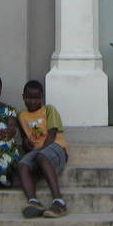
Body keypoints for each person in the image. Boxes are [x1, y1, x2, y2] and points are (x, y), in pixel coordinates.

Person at [17, 79, 69, 218]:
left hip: (55, 147)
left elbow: (51, 134)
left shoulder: (49, 110)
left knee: (41, 156)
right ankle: (33, 201)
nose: (32, 102)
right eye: (28, 98)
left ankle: (59, 201)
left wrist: (38, 154)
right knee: (22, 164)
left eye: (36, 98)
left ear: (42, 98)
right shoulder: (21, 116)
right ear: (23, 97)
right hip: (37, 152)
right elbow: (24, 138)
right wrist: (26, 143)